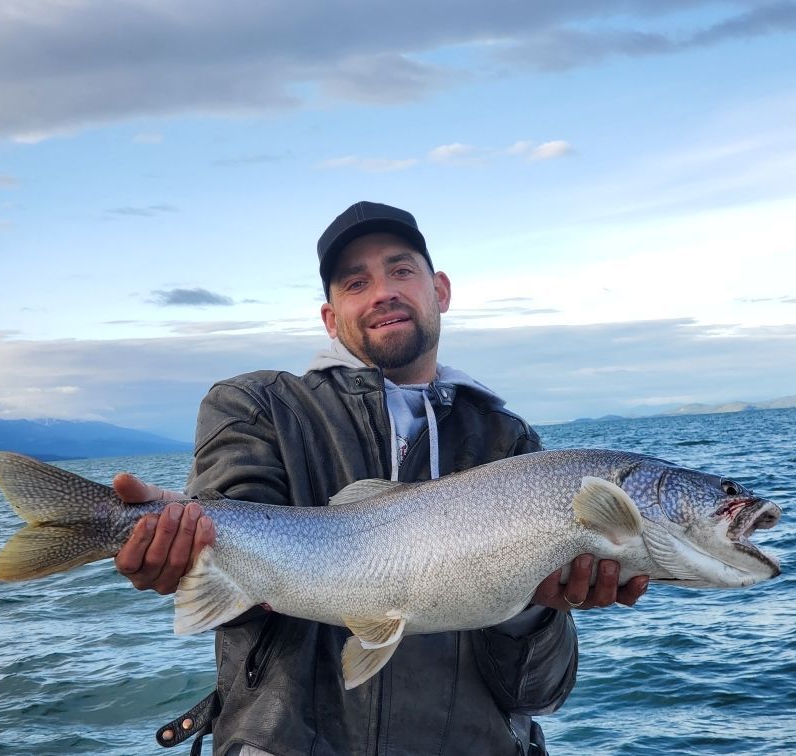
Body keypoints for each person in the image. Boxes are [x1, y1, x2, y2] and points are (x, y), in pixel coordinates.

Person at [113, 201, 650, 756]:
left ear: (439, 289)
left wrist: (537, 608)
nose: (383, 292)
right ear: (330, 317)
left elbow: (540, 694)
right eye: (355, 282)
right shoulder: (257, 406)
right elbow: (243, 551)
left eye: (400, 270)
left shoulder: (507, 442)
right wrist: (183, 547)